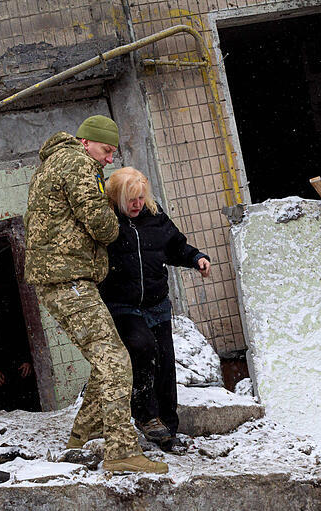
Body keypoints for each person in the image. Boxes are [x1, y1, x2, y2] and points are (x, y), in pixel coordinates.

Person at [24, 115, 167, 474]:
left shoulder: (56, 162)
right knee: (117, 359)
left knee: (108, 359)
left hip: (63, 277)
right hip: (68, 278)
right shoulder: (76, 162)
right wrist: (112, 209)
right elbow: (102, 226)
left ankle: (82, 434)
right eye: (106, 150)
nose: (108, 159)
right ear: (86, 142)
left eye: (113, 153)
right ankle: (120, 452)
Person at [99, 167, 211, 452]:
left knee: (164, 361)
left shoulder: (154, 215)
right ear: (116, 198)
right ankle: (145, 415)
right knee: (142, 348)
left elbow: (175, 245)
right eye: (130, 199)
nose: (136, 204)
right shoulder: (106, 222)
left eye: (140, 198)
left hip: (156, 303)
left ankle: (168, 429)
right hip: (123, 304)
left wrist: (196, 258)